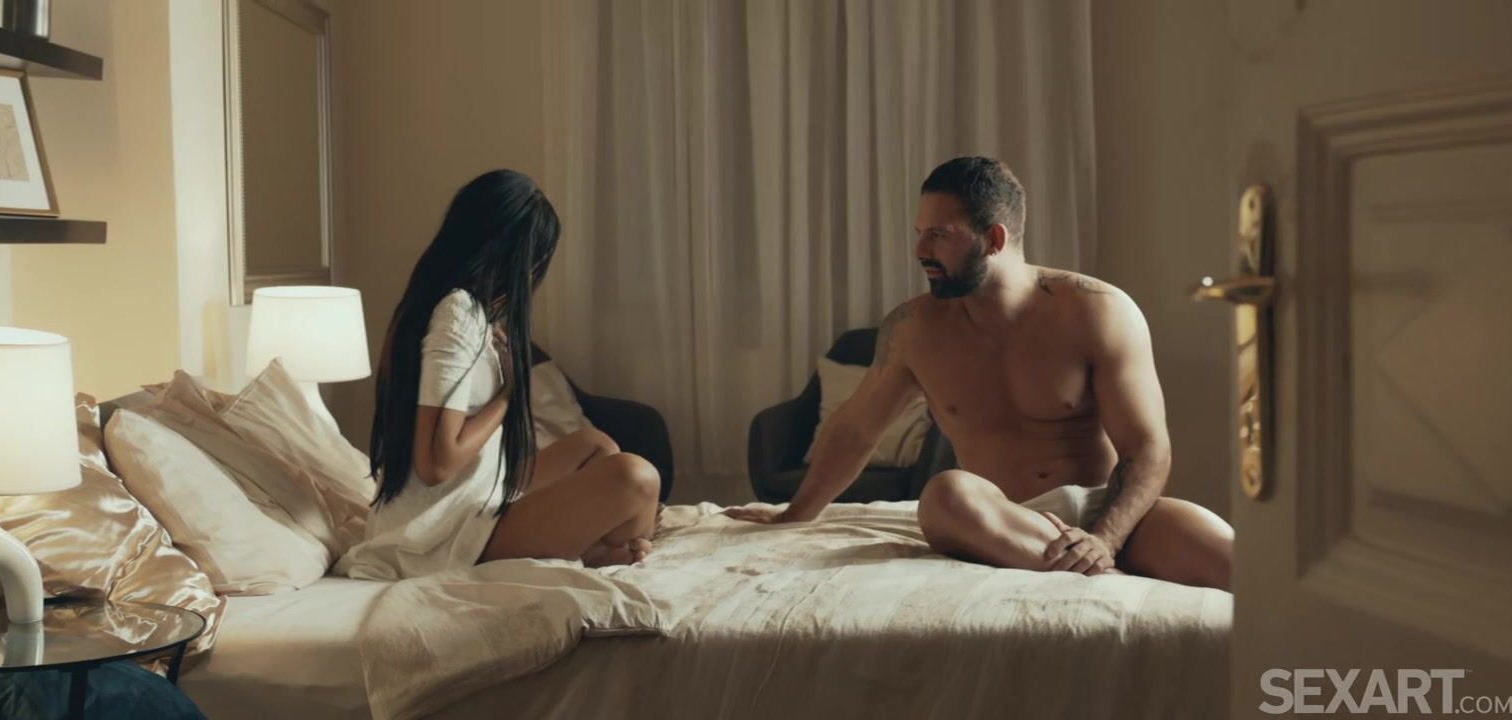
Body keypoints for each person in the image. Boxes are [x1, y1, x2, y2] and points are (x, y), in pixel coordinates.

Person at [727, 157, 1233, 591]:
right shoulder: (914, 329)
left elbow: (1147, 448)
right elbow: (856, 428)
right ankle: (1098, 578)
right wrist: (795, 514)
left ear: (993, 238)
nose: (920, 251)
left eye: (939, 235)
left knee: (1225, 554)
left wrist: (1104, 539)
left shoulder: (1096, 310)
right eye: (919, 233)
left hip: (1105, 512)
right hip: (1000, 519)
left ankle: (1092, 566)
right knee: (946, 495)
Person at [339, 169, 660, 581]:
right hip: (441, 535)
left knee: (594, 445)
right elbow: (437, 464)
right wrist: (508, 394)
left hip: (474, 497)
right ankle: (611, 547)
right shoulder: (457, 315)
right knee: (635, 477)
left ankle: (608, 546)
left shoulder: (456, 308)